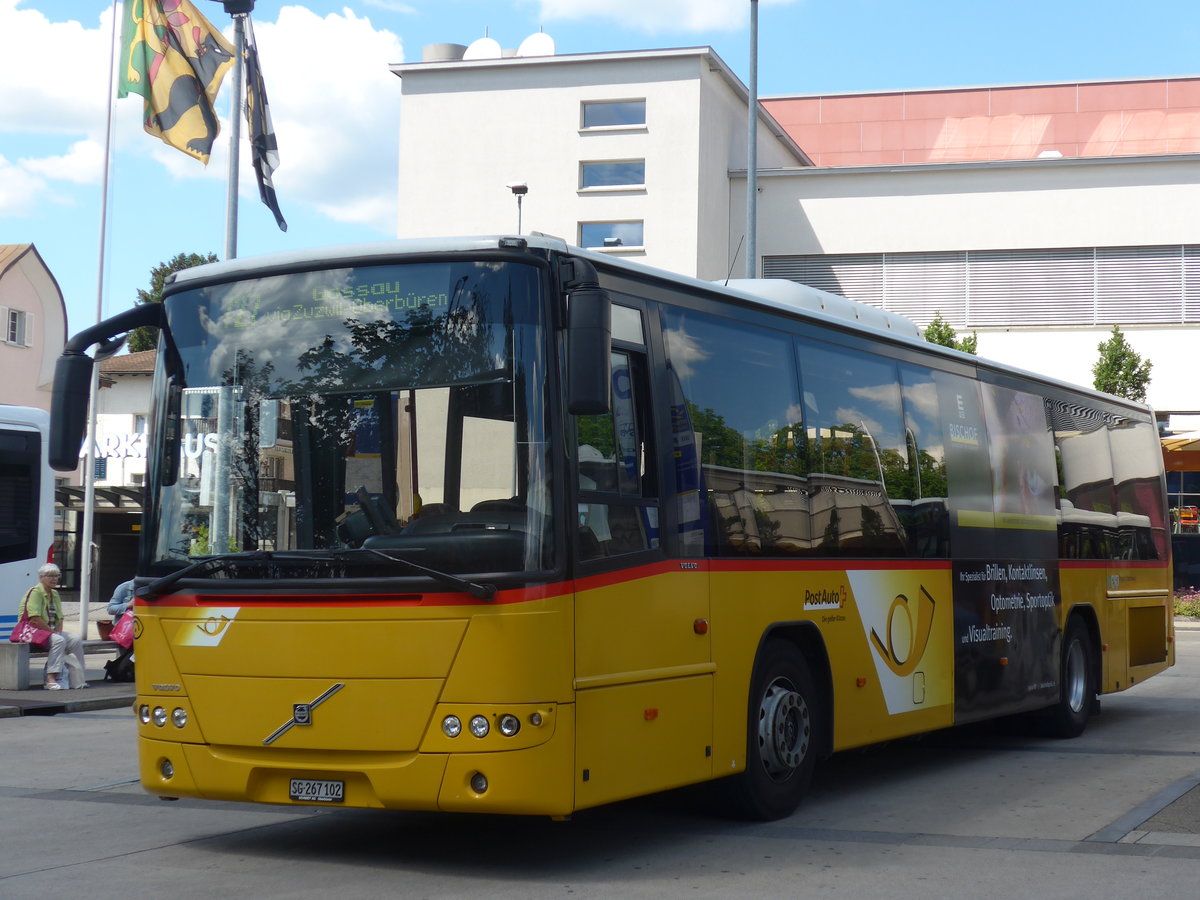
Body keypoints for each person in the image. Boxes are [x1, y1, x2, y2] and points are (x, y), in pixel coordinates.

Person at [19, 563, 87, 691]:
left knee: (75, 639)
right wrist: (54, 633)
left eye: (56, 576)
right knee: (58, 640)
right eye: (50, 576)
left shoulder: (54, 593)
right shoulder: (35, 592)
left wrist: (58, 631)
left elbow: (60, 617)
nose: (54, 579)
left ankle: (78, 677)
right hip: (32, 632)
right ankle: (50, 679)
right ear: (41, 578)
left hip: (49, 632)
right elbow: (34, 619)